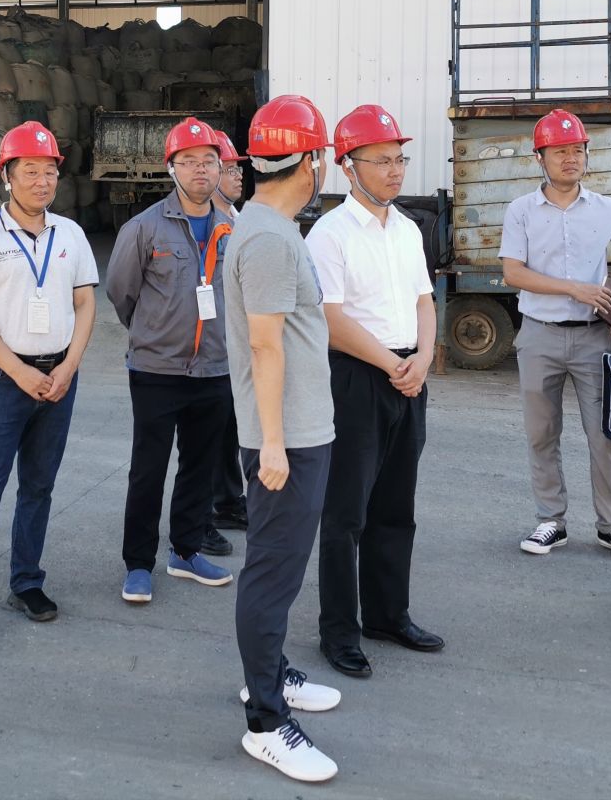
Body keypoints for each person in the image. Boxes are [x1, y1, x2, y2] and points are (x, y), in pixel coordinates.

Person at [0, 121, 98, 653]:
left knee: (39, 486)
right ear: (7, 175)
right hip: (5, 379)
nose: (41, 181)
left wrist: (69, 366)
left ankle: (26, 581)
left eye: (49, 171)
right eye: (30, 171)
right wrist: (18, 371)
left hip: (59, 377)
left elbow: (85, 304)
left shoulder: (70, 235)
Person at [225, 95, 343, 784]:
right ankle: (266, 722)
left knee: (281, 568)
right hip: (286, 439)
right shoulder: (269, 238)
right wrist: (273, 444)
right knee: (273, 573)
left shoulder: (271, 227)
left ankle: (269, 674)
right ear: (312, 162)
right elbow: (265, 346)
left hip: (297, 430)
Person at [305, 104, 443, 680]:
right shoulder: (329, 234)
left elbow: (424, 301)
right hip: (358, 378)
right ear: (348, 166)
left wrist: (424, 360)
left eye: (399, 158)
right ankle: (339, 631)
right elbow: (331, 320)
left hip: (409, 376)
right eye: (381, 160)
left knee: (395, 505)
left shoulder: (407, 229)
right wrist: (393, 364)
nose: (394, 170)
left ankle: (388, 614)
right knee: (346, 513)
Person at [499, 109, 611, 561]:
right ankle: (551, 520)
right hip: (539, 335)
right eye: (560, 151)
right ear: (539, 158)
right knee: (541, 432)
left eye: (577, 150)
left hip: (594, 340)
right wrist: (574, 288)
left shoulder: (607, 209)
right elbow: (513, 272)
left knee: (606, 435)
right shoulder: (521, 211)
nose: (570, 159)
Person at [105, 118, 236, 604]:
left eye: (209, 161)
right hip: (156, 371)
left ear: (220, 168)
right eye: (189, 161)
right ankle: (138, 564)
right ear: (171, 169)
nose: (201, 170)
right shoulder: (144, 227)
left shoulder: (234, 229)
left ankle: (186, 551)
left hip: (215, 367)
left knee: (200, 466)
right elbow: (121, 292)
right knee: (148, 469)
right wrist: (154, 333)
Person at [208, 128, 249, 537]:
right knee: (210, 434)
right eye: (231, 169)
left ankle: (228, 500)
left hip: (238, 344)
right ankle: (203, 513)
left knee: (231, 430)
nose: (239, 176)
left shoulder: (238, 218)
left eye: (239, 169)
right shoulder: (205, 223)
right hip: (212, 347)